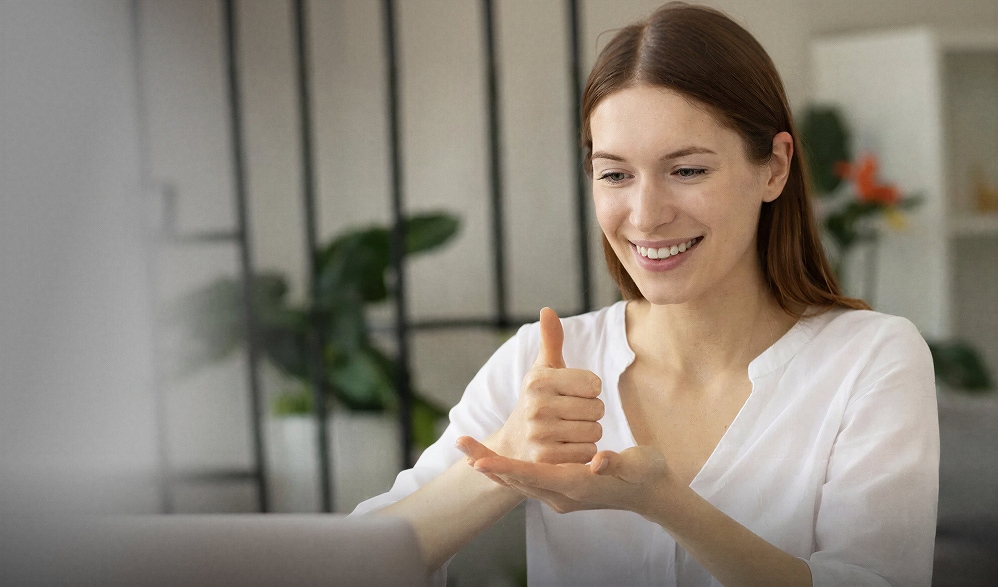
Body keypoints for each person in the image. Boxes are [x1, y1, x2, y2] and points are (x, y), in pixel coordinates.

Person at [353, 3, 939, 586]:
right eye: (615, 174)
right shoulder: (544, 366)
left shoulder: (870, 359)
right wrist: (507, 455)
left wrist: (664, 503)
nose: (646, 215)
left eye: (687, 171)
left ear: (774, 168)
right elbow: (347, 566)